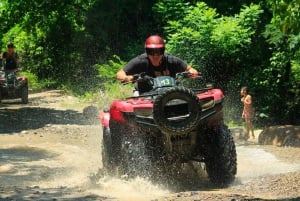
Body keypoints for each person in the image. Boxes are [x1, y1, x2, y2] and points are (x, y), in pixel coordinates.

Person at [116, 35, 198, 94]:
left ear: (163, 51)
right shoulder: (140, 61)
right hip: (145, 96)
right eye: (151, 51)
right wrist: (126, 77)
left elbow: (191, 69)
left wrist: (192, 72)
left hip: (172, 94)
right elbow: (119, 74)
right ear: (146, 51)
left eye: (159, 51)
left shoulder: (171, 60)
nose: (155, 55)